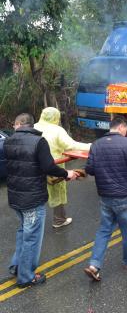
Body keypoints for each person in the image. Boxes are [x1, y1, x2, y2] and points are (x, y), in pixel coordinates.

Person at [4, 113, 76, 287]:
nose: (13, 127)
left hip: (15, 196)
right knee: (32, 237)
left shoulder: (9, 141)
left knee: (23, 231)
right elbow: (49, 166)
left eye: (14, 124)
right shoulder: (39, 141)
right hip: (32, 199)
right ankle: (26, 277)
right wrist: (67, 173)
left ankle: (17, 266)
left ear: (19, 124)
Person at [84, 115, 127, 281]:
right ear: (121, 127)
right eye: (126, 129)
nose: (126, 133)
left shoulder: (96, 145)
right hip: (123, 196)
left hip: (105, 196)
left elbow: (89, 169)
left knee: (104, 231)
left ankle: (94, 265)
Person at [34, 107, 90, 228]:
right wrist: (90, 146)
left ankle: (33, 222)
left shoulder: (34, 127)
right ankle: (59, 220)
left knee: (37, 192)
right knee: (57, 192)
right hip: (54, 165)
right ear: (56, 117)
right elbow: (71, 145)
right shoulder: (56, 130)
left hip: (35, 166)